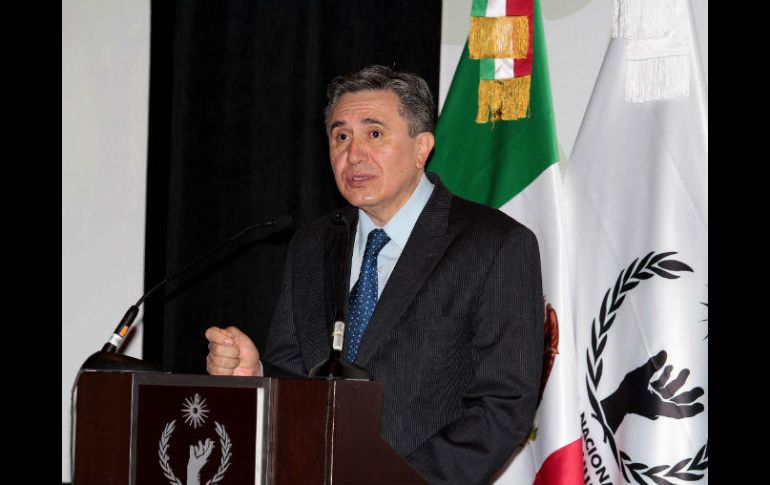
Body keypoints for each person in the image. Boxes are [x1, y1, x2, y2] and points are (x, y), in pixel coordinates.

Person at [205, 65, 544, 484]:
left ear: (422, 148)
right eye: (341, 137)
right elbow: (296, 378)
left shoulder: (495, 244)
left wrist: (398, 479)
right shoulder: (313, 244)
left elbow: (504, 404)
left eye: (375, 133)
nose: (354, 154)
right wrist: (256, 374)